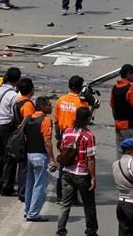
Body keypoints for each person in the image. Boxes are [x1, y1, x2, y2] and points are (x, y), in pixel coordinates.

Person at [56, 107, 98, 236]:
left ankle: (61, 230)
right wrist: (93, 177)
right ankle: (91, 231)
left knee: (65, 203)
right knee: (89, 204)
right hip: (82, 174)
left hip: (67, 172)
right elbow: (90, 158)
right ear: (87, 119)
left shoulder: (67, 132)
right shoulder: (89, 136)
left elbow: (62, 149)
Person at [54, 75, 90, 203]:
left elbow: (56, 121)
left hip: (64, 135)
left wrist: (58, 136)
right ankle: (72, 197)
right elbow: (86, 119)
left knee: (64, 163)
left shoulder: (61, 100)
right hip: (77, 135)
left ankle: (60, 195)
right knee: (76, 165)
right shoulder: (81, 102)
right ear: (79, 87)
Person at [23, 96, 56, 222]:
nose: (51, 107)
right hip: (40, 156)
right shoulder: (46, 120)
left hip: (29, 154)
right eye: (49, 105)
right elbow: (47, 142)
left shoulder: (29, 118)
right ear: (42, 106)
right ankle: (33, 214)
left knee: (30, 185)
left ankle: (27, 211)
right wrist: (52, 159)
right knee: (40, 186)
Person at [0, 66, 20, 195]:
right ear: (17, 80)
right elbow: (15, 114)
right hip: (7, 126)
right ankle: (7, 188)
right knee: (10, 157)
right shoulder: (14, 95)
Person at [112, 64, 133, 151]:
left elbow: (113, 106)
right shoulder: (130, 89)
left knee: (121, 150)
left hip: (118, 125)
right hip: (129, 125)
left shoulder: (114, 88)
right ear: (128, 74)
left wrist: (116, 120)